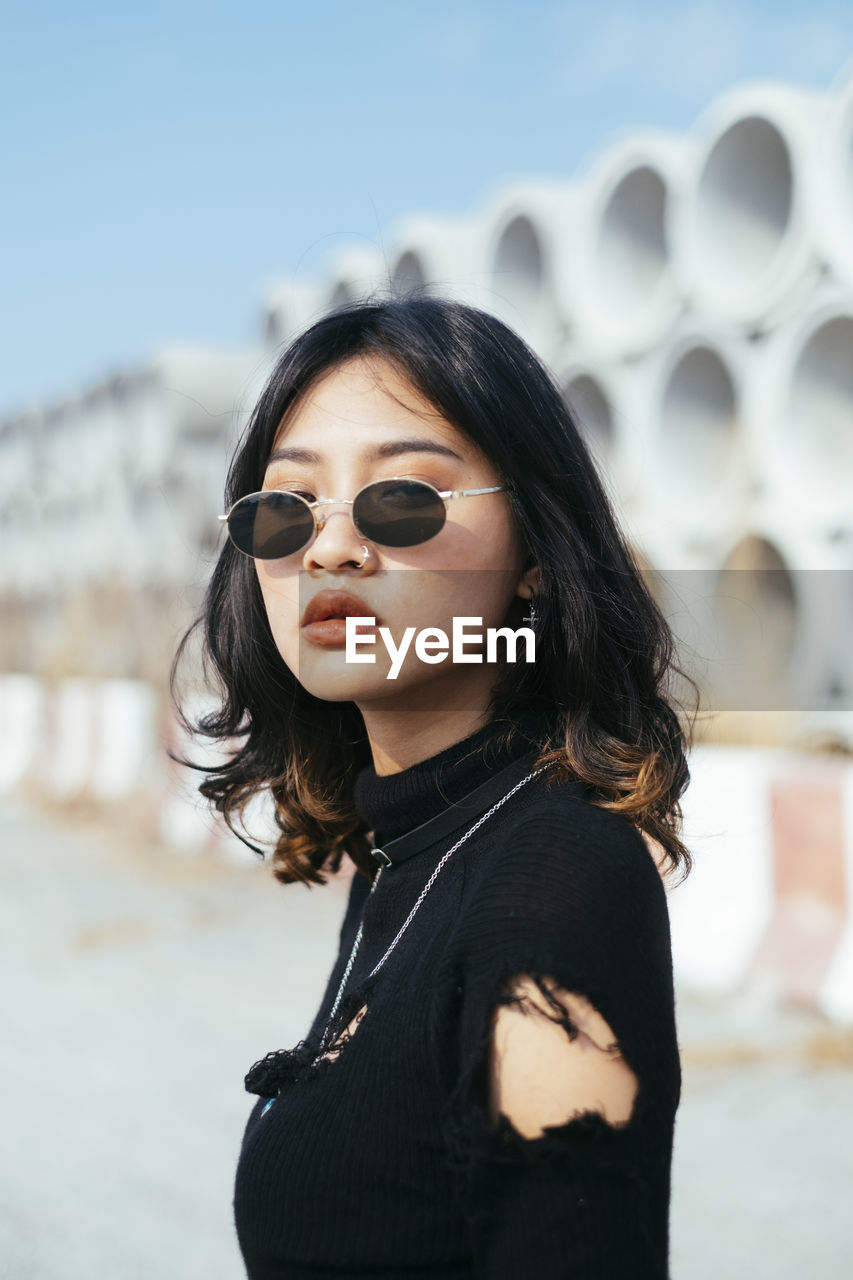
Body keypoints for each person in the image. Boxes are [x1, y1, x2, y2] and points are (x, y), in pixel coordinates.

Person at [172, 295, 697, 1278]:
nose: (327, 547)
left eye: (402, 497)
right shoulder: (406, 844)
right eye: (285, 506)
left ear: (535, 554)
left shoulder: (554, 880)